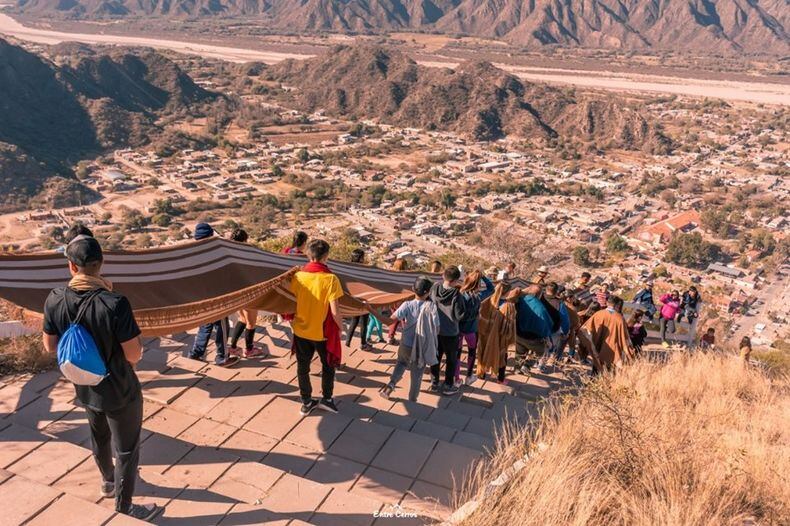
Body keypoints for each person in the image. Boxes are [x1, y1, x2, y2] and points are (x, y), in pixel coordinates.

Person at [42, 236, 160, 521]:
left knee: (99, 436)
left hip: (85, 384)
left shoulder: (55, 298)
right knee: (127, 449)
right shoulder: (115, 303)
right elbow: (133, 354)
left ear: (72, 266)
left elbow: (49, 346)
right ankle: (124, 506)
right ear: (101, 264)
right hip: (119, 387)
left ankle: (108, 481)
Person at [290, 239, 344, 415]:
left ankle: (306, 401)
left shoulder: (298, 276)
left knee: (302, 367)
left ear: (308, 254)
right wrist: (340, 328)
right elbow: (335, 311)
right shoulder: (331, 279)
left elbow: (291, 301)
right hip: (322, 333)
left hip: (301, 329)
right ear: (326, 256)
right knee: (327, 366)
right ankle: (327, 399)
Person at [378, 277, 439, 402]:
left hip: (406, 343)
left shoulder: (407, 305)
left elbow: (389, 321)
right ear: (428, 292)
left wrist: (370, 309)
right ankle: (412, 400)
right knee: (417, 375)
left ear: (413, 289)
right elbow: (436, 328)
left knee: (401, 363)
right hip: (421, 346)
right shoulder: (431, 307)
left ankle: (390, 386)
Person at [188, 223, 239, 367]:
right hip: (216, 296)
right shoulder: (213, 252)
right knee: (222, 327)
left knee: (205, 325)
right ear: (209, 235)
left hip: (200, 297)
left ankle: (196, 353)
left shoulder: (191, 253)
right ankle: (222, 357)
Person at [228, 228, 266, 359]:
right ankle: (249, 350)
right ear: (244, 240)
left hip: (236, 292)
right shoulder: (246, 254)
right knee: (251, 322)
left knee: (242, 319)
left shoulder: (229, 254)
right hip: (248, 291)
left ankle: (233, 347)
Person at [429, 265, 466, 395]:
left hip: (435, 329)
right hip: (451, 332)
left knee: (435, 357)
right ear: (456, 280)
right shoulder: (457, 295)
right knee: (451, 360)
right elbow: (459, 315)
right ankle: (448, 385)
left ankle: (434, 382)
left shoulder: (434, 288)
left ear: (443, 276)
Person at [578, 295, 635, 374]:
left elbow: (585, 330)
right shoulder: (620, 318)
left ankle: (594, 379)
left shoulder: (598, 314)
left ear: (607, 303)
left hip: (598, 347)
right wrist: (629, 351)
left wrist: (590, 343)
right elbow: (625, 337)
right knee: (609, 371)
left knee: (596, 368)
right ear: (617, 304)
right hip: (613, 350)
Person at [456, 270, 495, 386]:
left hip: (458, 329)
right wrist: (483, 277)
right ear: (477, 284)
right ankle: (469, 376)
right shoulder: (479, 296)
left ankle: (456, 378)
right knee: (472, 352)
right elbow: (491, 288)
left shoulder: (460, 294)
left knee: (457, 354)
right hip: (472, 330)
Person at [476, 284, 519, 383]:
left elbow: (481, 317)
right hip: (500, 337)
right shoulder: (509, 306)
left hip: (486, 335)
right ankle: (500, 379)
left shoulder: (489, 301)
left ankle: (481, 374)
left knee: (484, 353)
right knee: (502, 356)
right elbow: (509, 325)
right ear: (507, 293)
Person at [514, 284, 553, 375]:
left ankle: (517, 368)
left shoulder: (521, 300)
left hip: (519, 334)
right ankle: (527, 366)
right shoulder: (542, 308)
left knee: (519, 352)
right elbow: (547, 325)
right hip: (533, 339)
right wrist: (547, 339)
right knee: (540, 350)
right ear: (539, 295)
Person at [346, 249, 373, 351]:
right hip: (364, 298)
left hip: (354, 298)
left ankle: (348, 341)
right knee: (364, 322)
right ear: (361, 258)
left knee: (354, 320)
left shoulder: (348, 268)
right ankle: (363, 344)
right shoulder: (364, 270)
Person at [543, 283, 571, 366]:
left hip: (537, 326)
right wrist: (565, 332)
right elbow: (565, 319)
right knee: (549, 347)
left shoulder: (539, 298)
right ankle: (541, 365)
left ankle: (528, 362)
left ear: (546, 289)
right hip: (552, 329)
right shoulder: (559, 303)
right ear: (556, 292)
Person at [388, 257, 409, 344]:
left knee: (394, 319)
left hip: (393, 300)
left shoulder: (391, 276)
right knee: (404, 320)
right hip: (402, 301)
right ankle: (406, 338)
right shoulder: (405, 277)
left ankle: (390, 337)